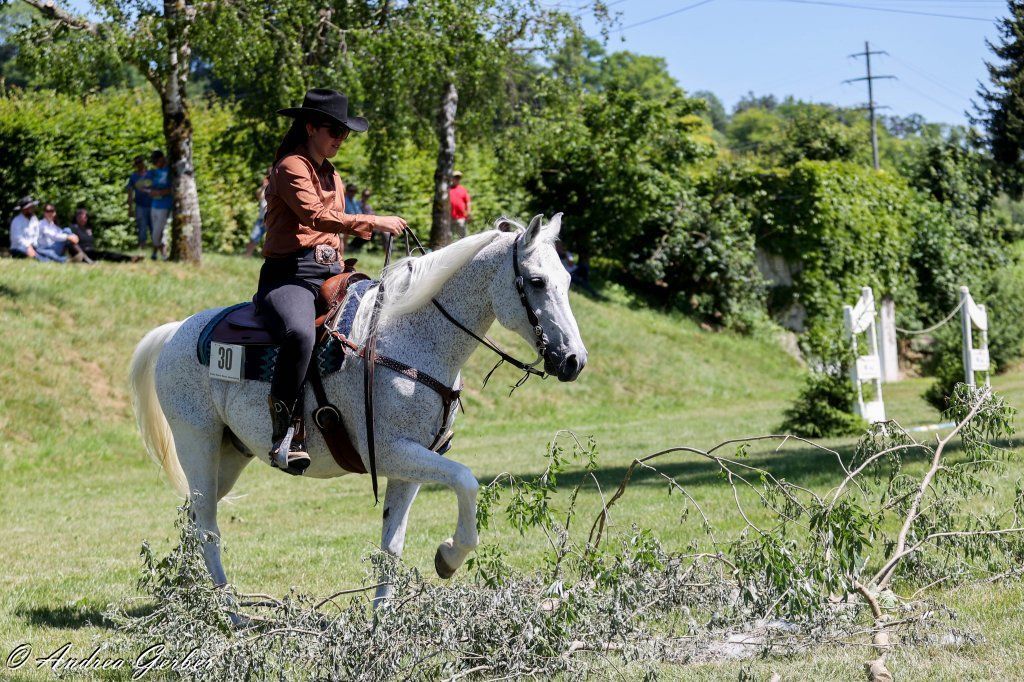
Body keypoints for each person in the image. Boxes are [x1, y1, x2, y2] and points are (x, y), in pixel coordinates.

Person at [256, 87, 407, 474]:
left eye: (344, 134)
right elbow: (316, 217)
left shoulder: (333, 174)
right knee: (299, 334)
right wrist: (373, 222)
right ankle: (285, 430)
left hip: (331, 274)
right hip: (289, 276)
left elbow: (332, 232)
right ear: (310, 127)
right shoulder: (291, 166)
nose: (340, 139)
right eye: (333, 131)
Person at [69, 208, 137, 262]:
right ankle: (129, 258)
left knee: (106, 253)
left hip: (91, 251)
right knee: (106, 254)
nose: (84, 219)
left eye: (85, 217)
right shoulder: (74, 228)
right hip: (84, 252)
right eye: (82, 217)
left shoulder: (87, 229)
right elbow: (73, 244)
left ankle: (129, 258)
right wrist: (83, 256)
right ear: (77, 218)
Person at [8, 196, 58, 262]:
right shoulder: (17, 221)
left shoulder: (34, 219)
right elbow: (17, 238)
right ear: (24, 209)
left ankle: (60, 260)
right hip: (18, 248)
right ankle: (45, 261)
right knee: (36, 255)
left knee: (49, 252)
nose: (33, 209)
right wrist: (28, 246)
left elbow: (36, 234)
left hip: (33, 246)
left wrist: (34, 246)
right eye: (30, 207)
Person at [146, 149, 173, 260]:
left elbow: (173, 188)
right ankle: (161, 255)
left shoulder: (170, 171)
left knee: (157, 234)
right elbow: (148, 186)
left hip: (165, 205)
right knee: (157, 232)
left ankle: (162, 254)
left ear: (162, 159)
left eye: (156, 161)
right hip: (154, 204)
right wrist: (151, 192)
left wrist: (161, 192)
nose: (155, 164)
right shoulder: (154, 172)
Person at [126, 155, 153, 250]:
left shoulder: (151, 174)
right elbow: (130, 193)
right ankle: (143, 248)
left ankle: (157, 250)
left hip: (153, 205)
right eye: (137, 163)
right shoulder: (133, 176)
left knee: (154, 228)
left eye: (140, 162)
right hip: (140, 206)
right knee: (142, 228)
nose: (139, 164)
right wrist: (130, 208)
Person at [244, 168, 272, 257]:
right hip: (261, 218)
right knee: (254, 237)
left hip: (271, 218)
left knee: (272, 240)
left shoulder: (277, 185)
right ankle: (247, 255)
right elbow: (259, 196)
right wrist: (264, 186)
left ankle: (270, 258)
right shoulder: (265, 186)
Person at [448, 170, 471, 239]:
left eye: (458, 178)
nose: (457, 179)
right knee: (449, 237)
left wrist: (469, 214)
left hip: (461, 217)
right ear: (452, 178)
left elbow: (468, 202)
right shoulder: (448, 189)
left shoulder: (463, 189)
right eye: (455, 177)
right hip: (450, 218)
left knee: (462, 238)